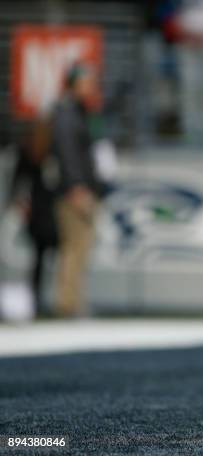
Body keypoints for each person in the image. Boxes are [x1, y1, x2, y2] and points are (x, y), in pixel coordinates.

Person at [51, 64, 101, 318]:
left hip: (77, 188)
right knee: (74, 249)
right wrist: (76, 187)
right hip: (74, 192)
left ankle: (72, 301)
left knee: (79, 249)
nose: (91, 87)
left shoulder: (75, 112)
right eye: (87, 82)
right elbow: (68, 154)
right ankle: (67, 304)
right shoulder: (68, 114)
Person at [7, 120, 57, 316]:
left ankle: (41, 299)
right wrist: (20, 204)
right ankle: (36, 300)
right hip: (40, 213)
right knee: (40, 259)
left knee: (42, 259)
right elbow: (18, 184)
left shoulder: (50, 152)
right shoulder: (28, 153)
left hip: (45, 211)